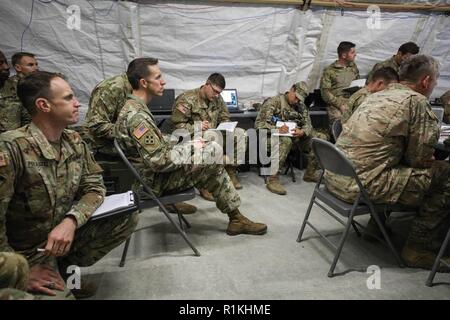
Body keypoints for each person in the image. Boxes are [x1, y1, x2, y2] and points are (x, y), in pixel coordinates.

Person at [0, 71, 138, 299]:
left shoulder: (74, 141)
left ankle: (64, 271)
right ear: (44, 105)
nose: (76, 103)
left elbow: (95, 187)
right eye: (68, 98)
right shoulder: (11, 148)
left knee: (125, 216)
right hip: (21, 254)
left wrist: (71, 220)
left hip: (61, 239)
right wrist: (17, 271)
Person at [115, 57, 267, 236]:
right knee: (211, 155)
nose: (163, 81)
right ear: (143, 82)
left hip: (151, 175)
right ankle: (236, 218)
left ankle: (235, 216)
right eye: (158, 77)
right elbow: (158, 161)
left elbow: (157, 143)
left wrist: (190, 144)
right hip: (152, 183)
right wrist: (191, 147)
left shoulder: (134, 108)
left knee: (210, 155)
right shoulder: (137, 117)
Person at [325, 55, 450, 271]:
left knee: (387, 164)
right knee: (445, 174)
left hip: (336, 177)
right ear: (426, 81)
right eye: (436, 81)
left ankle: (376, 227)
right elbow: (419, 161)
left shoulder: (375, 96)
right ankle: (418, 249)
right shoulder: (416, 101)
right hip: (360, 187)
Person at [171, 73, 245, 201]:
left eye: (219, 93)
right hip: (193, 136)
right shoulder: (187, 99)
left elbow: (224, 117)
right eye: (215, 91)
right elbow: (177, 126)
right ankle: (205, 182)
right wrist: (197, 126)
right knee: (210, 137)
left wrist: (226, 125)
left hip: (214, 132)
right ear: (207, 84)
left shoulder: (217, 98)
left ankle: (231, 170)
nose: (216, 95)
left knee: (240, 134)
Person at [255, 82, 328, 195]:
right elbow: (259, 125)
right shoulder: (274, 102)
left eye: (300, 100)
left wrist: (303, 132)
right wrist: (277, 129)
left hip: (294, 137)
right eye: (296, 97)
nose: (297, 101)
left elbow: (308, 124)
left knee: (320, 138)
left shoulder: (301, 106)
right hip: (271, 138)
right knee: (285, 141)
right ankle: (272, 179)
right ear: (291, 90)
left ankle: (310, 173)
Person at [320, 41, 359, 124]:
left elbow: (358, 83)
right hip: (336, 103)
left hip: (352, 100)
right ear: (344, 55)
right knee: (339, 120)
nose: (355, 54)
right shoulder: (330, 71)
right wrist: (339, 104)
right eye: (352, 52)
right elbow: (325, 93)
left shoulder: (353, 67)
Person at [0, 51, 34, 133]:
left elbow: (27, 119)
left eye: (5, 62)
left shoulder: (14, 87)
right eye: (0, 63)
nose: (7, 67)